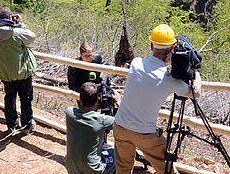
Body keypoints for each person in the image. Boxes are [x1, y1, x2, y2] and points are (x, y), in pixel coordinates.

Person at [114, 24, 201, 174]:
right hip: (145, 134)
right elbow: (196, 93)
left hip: (121, 126)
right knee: (166, 170)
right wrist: (197, 70)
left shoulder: (136, 64)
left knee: (123, 170)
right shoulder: (169, 81)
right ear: (173, 48)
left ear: (151, 45)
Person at [0, 7, 36, 134]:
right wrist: (21, 24)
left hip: (5, 73)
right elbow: (32, 37)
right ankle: (27, 124)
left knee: (9, 98)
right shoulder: (16, 33)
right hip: (21, 73)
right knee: (26, 98)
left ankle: (11, 125)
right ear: (9, 18)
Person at [66, 82, 120, 174]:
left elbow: (83, 110)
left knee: (103, 147)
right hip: (92, 170)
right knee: (117, 154)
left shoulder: (70, 113)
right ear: (97, 100)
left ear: (80, 99)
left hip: (71, 167)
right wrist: (118, 102)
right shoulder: (102, 120)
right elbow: (124, 121)